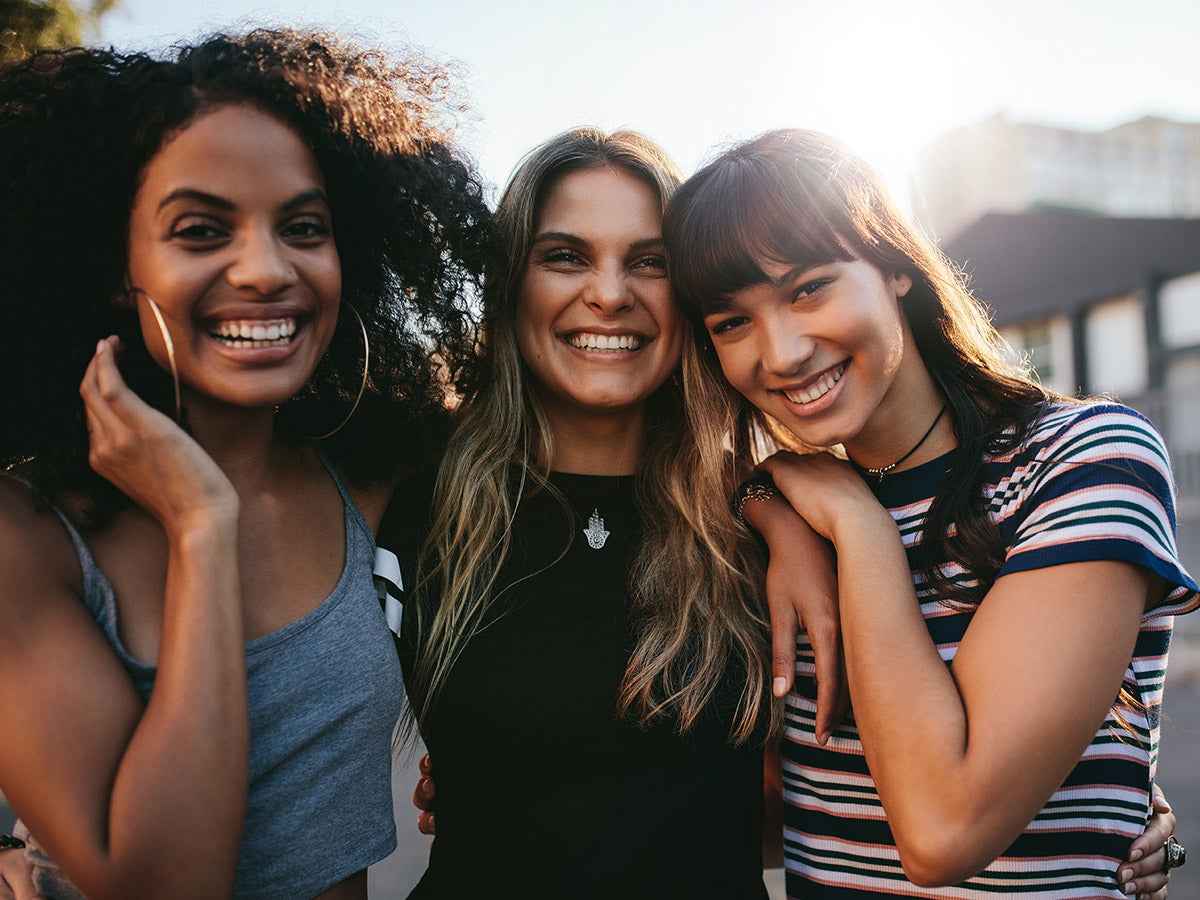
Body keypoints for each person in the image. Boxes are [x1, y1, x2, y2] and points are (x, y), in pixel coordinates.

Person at [0, 29, 488, 900]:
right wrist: (200, 524)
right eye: (200, 230)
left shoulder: (370, 472)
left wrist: (780, 494)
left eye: (304, 227)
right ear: (117, 265)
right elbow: (165, 884)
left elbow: (602, 450)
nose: (266, 269)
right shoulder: (25, 537)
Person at [663, 127, 1196, 899]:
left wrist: (861, 528)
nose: (779, 353)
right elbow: (801, 814)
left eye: (808, 287)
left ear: (894, 267)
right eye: (730, 323)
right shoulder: (778, 521)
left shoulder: (1084, 460)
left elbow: (943, 832)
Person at [381, 127, 819, 899]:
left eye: (649, 262)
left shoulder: (761, 523)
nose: (611, 294)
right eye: (565, 256)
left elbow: (819, 808)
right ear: (511, 283)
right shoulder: (414, 505)